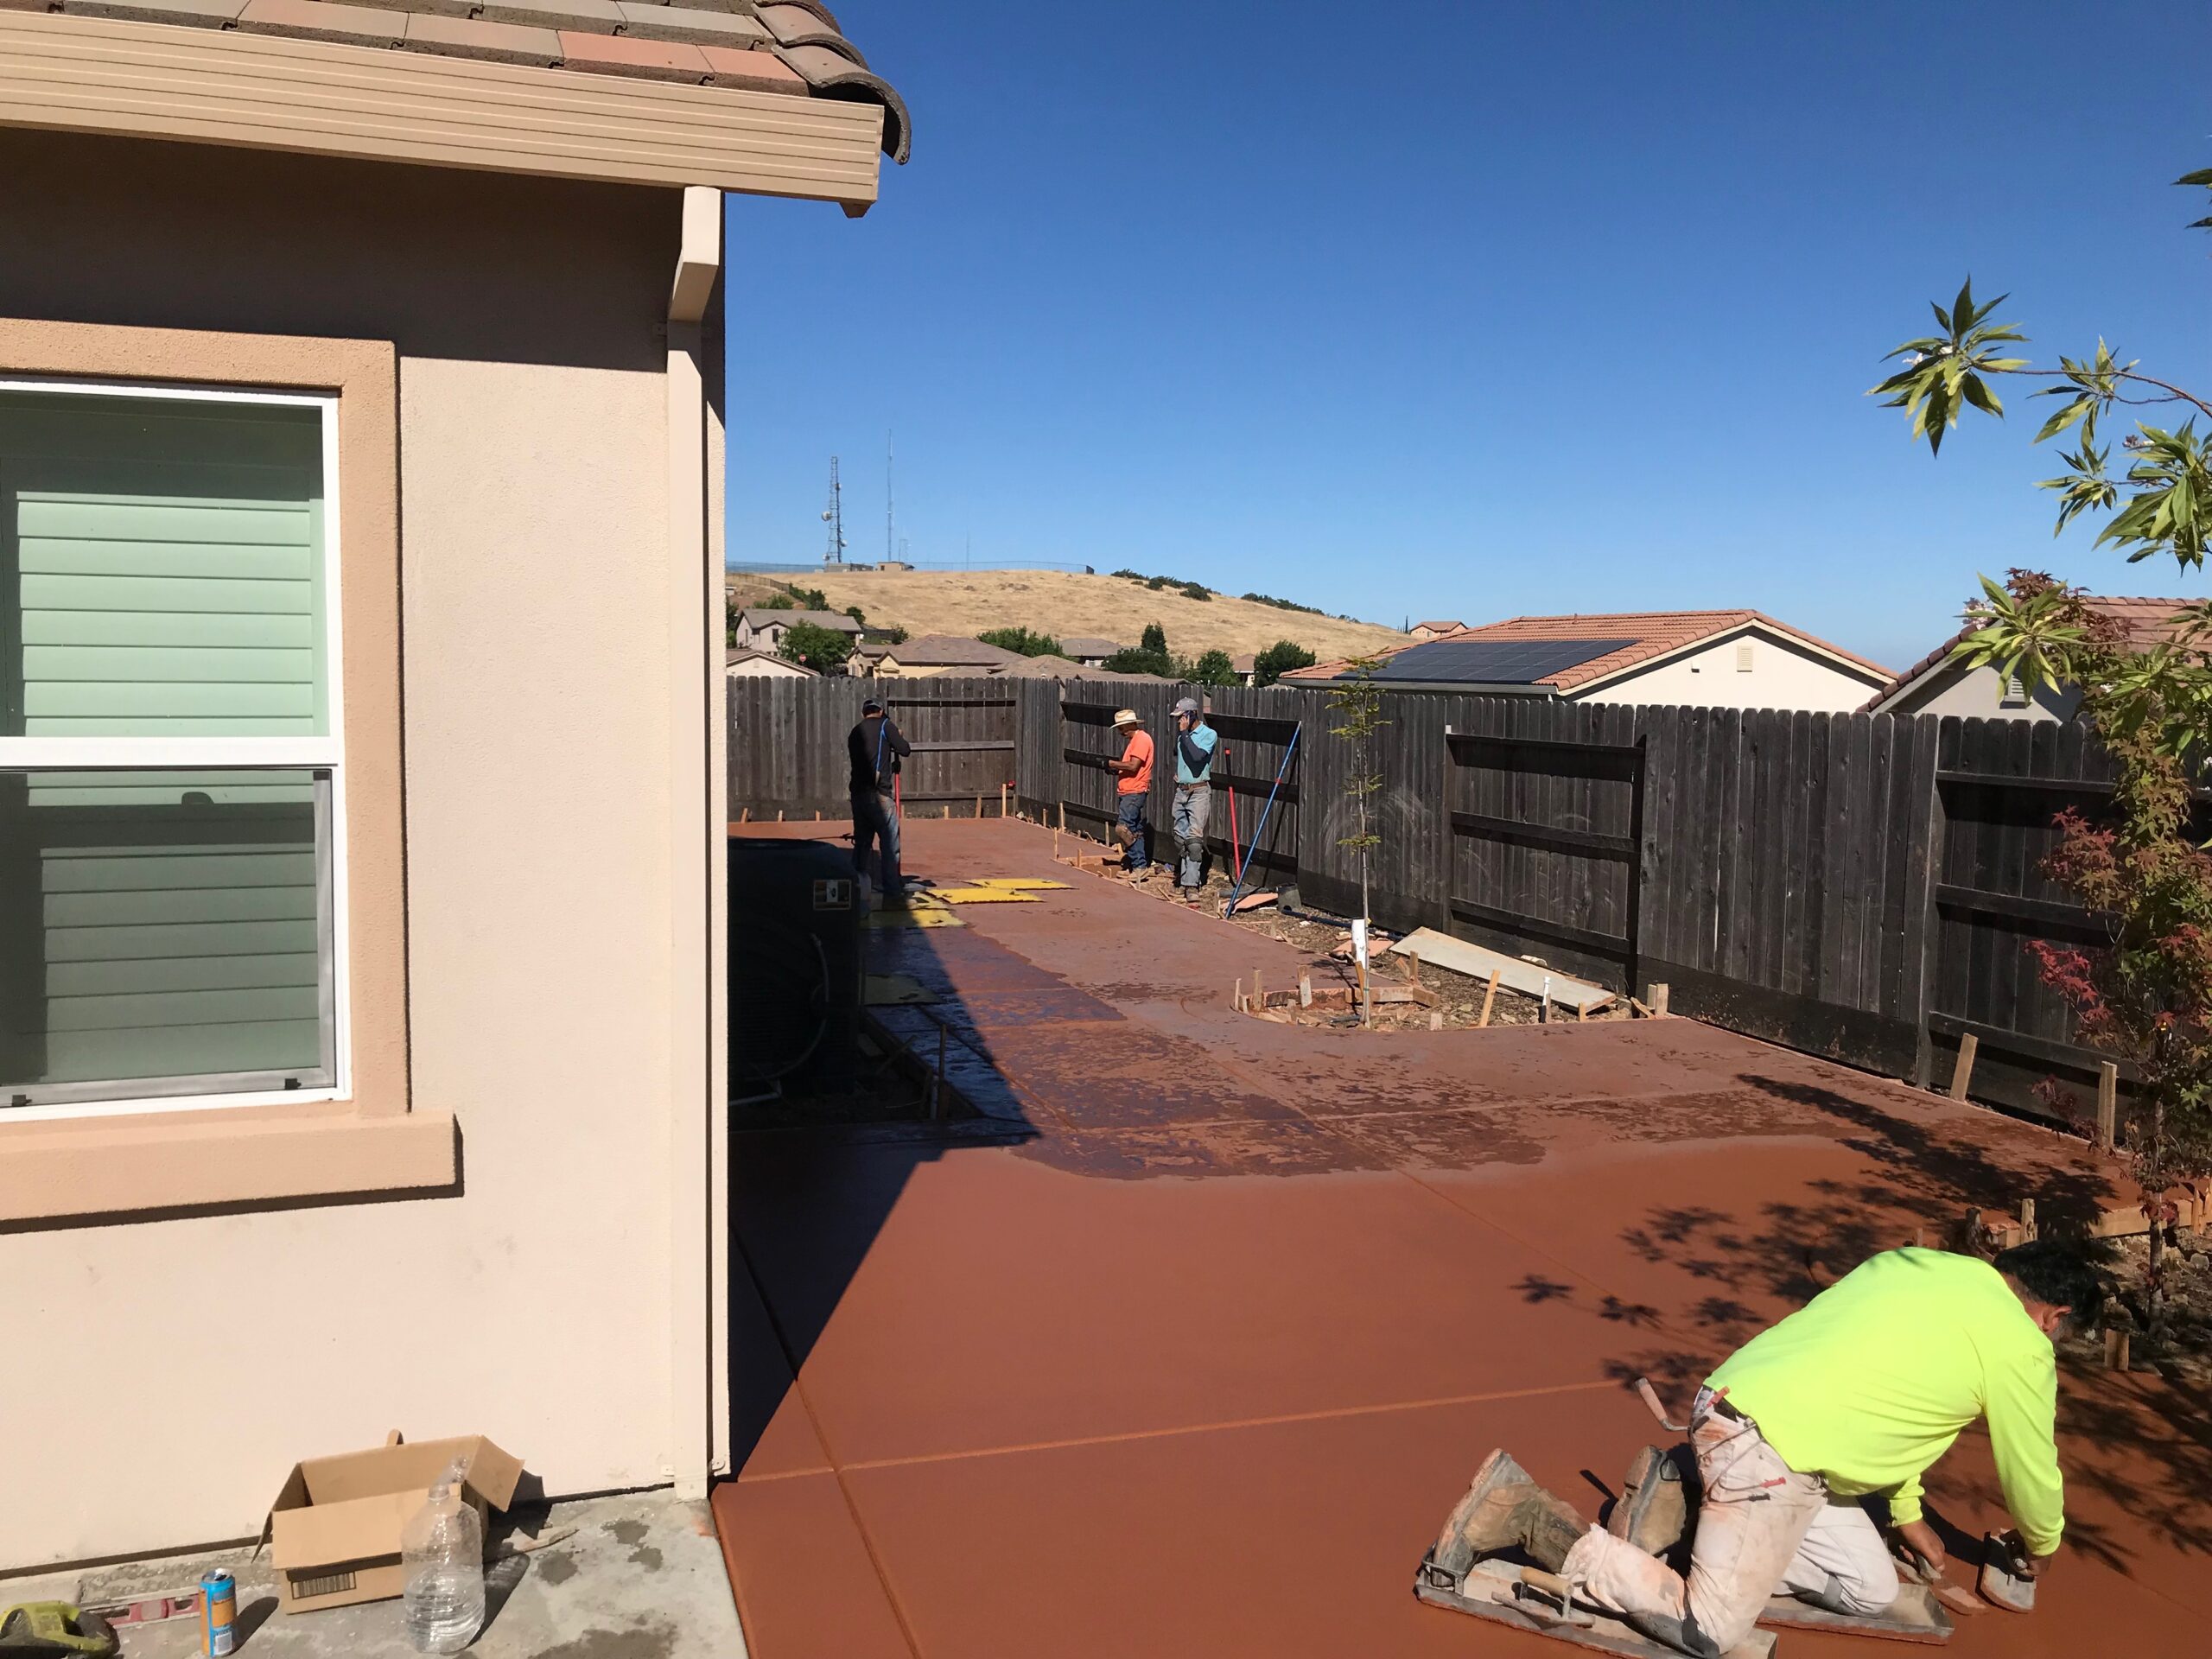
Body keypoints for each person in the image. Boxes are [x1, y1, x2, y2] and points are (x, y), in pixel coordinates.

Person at [1431, 1241, 2098, 1656]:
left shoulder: (1917, 1266)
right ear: (2055, 1318)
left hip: (1742, 1416)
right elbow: (2032, 1472)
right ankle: (1521, 1512)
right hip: (1766, 1453)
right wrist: (2041, 1548)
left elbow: (1890, 1398)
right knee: (1710, 1631)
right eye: (2059, 1338)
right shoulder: (2022, 1345)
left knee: (1868, 1588)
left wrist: (1906, 1512)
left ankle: (1694, 1502)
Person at [847, 696, 911, 905]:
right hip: (880, 795)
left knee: (862, 843)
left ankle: (856, 889)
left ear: (863, 713)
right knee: (890, 845)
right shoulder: (886, 725)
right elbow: (904, 749)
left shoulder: (855, 731)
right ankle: (892, 892)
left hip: (858, 794)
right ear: (881, 711)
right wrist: (897, 736)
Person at [1168, 696, 1219, 900]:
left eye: (1181, 717)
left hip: (1199, 792)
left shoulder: (1209, 734)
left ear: (1191, 715)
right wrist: (1181, 774)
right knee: (1179, 837)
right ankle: (1185, 876)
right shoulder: (1183, 737)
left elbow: (1198, 757)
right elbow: (1180, 756)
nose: (1178, 721)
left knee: (1194, 840)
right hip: (1182, 790)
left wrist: (1183, 733)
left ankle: (1191, 886)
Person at [1103, 707, 1154, 876]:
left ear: (1132, 724)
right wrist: (1117, 770)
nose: (1120, 730)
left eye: (1122, 727)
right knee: (1134, 829)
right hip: (1129, 790)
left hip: (1135, 790)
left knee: (1123, 828)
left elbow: (1133, 766)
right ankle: (1137, 866)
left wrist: (1112, 764)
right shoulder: (1135, 741)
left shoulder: (1141, 740)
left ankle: (1139, 865)